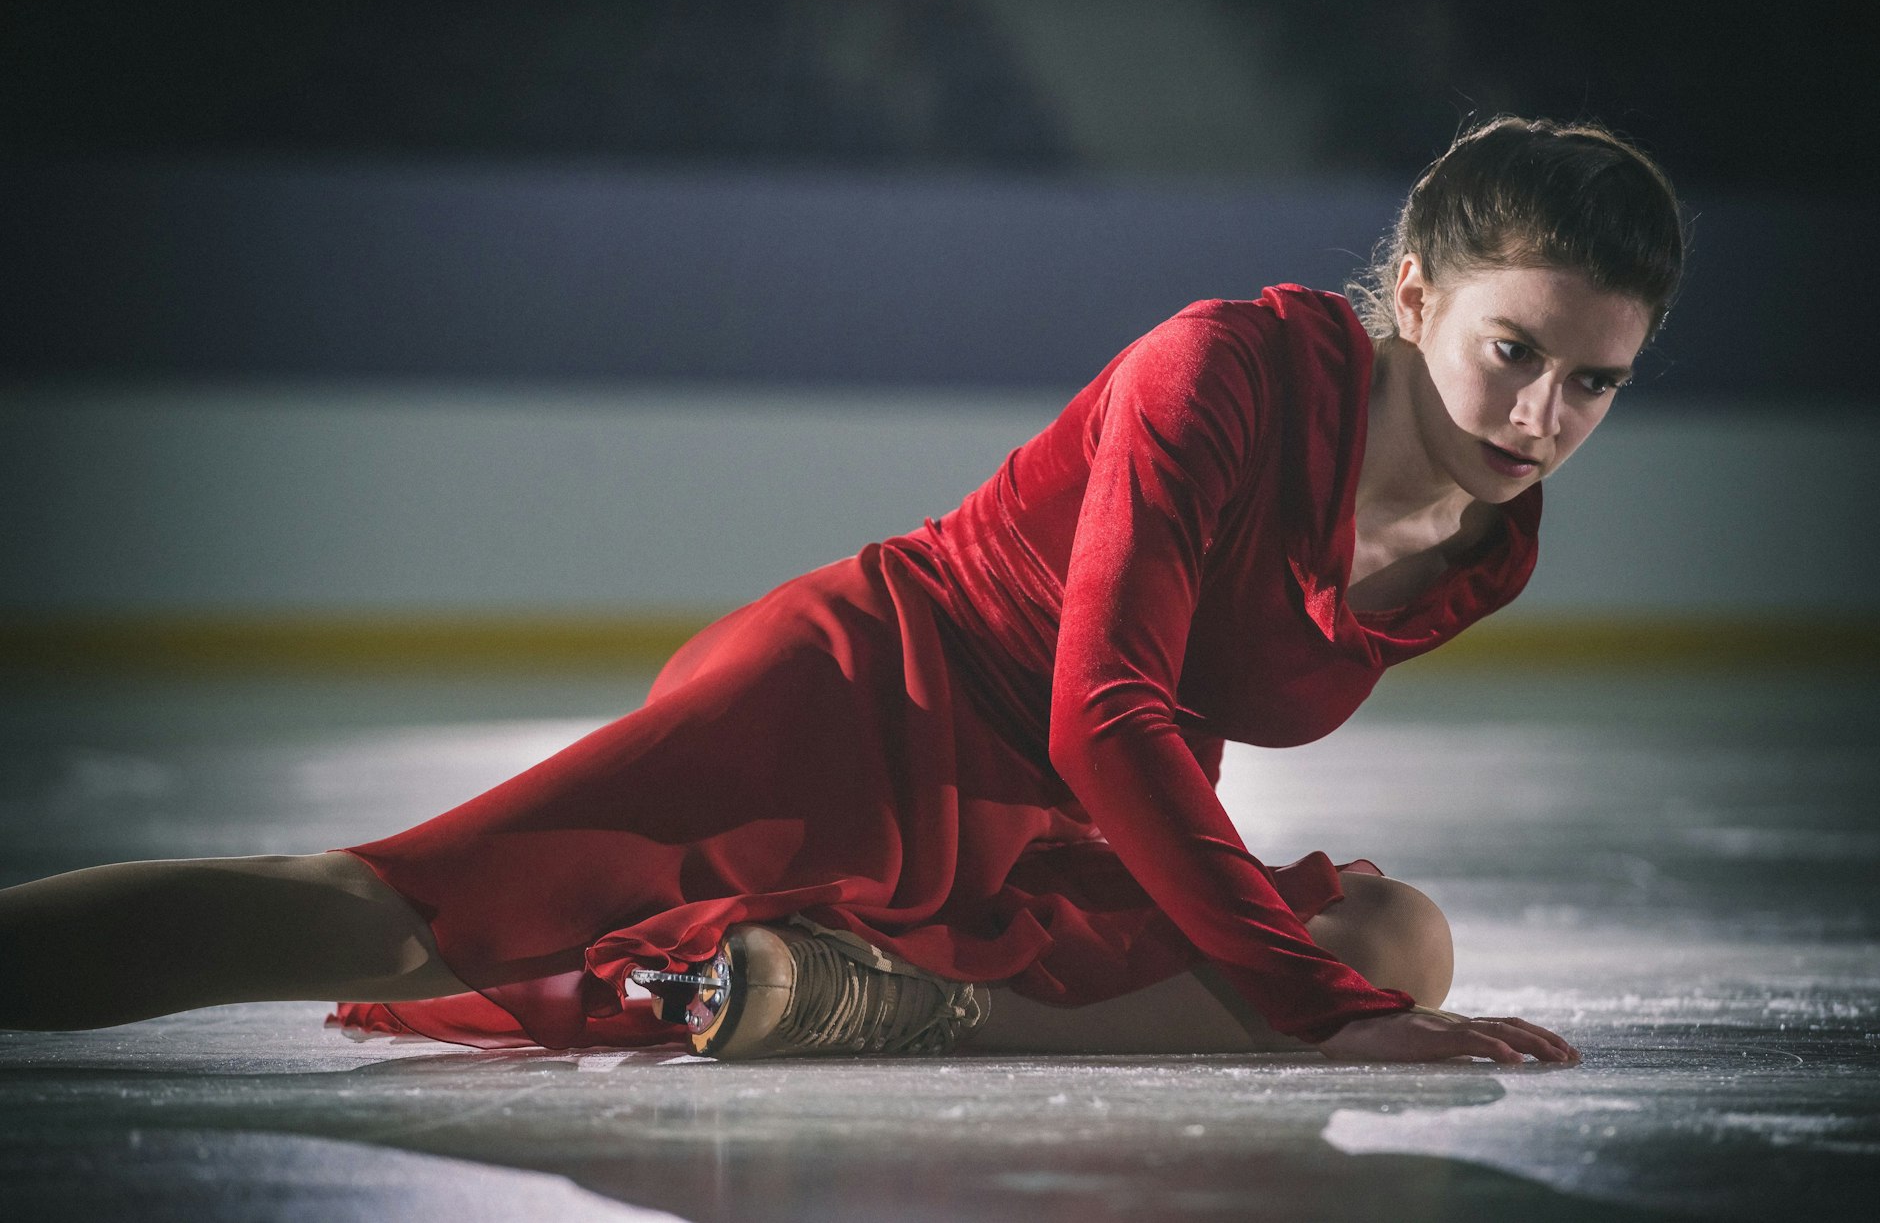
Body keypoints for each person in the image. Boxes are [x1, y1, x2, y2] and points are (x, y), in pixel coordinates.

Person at [0, 116, 1683, 1068]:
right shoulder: (1226, 366)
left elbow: (1158, 734)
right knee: (377, 906)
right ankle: (795, 970)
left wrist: (1337, 989)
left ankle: (854, 988)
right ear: (1411, 291)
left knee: (1401, 937)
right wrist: (1317, 1020)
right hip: (866, 698)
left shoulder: (1490, 539)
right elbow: (1109, 703)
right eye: (1513, 351)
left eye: (1595, 383)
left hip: (1047, 810)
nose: (1542, 417)